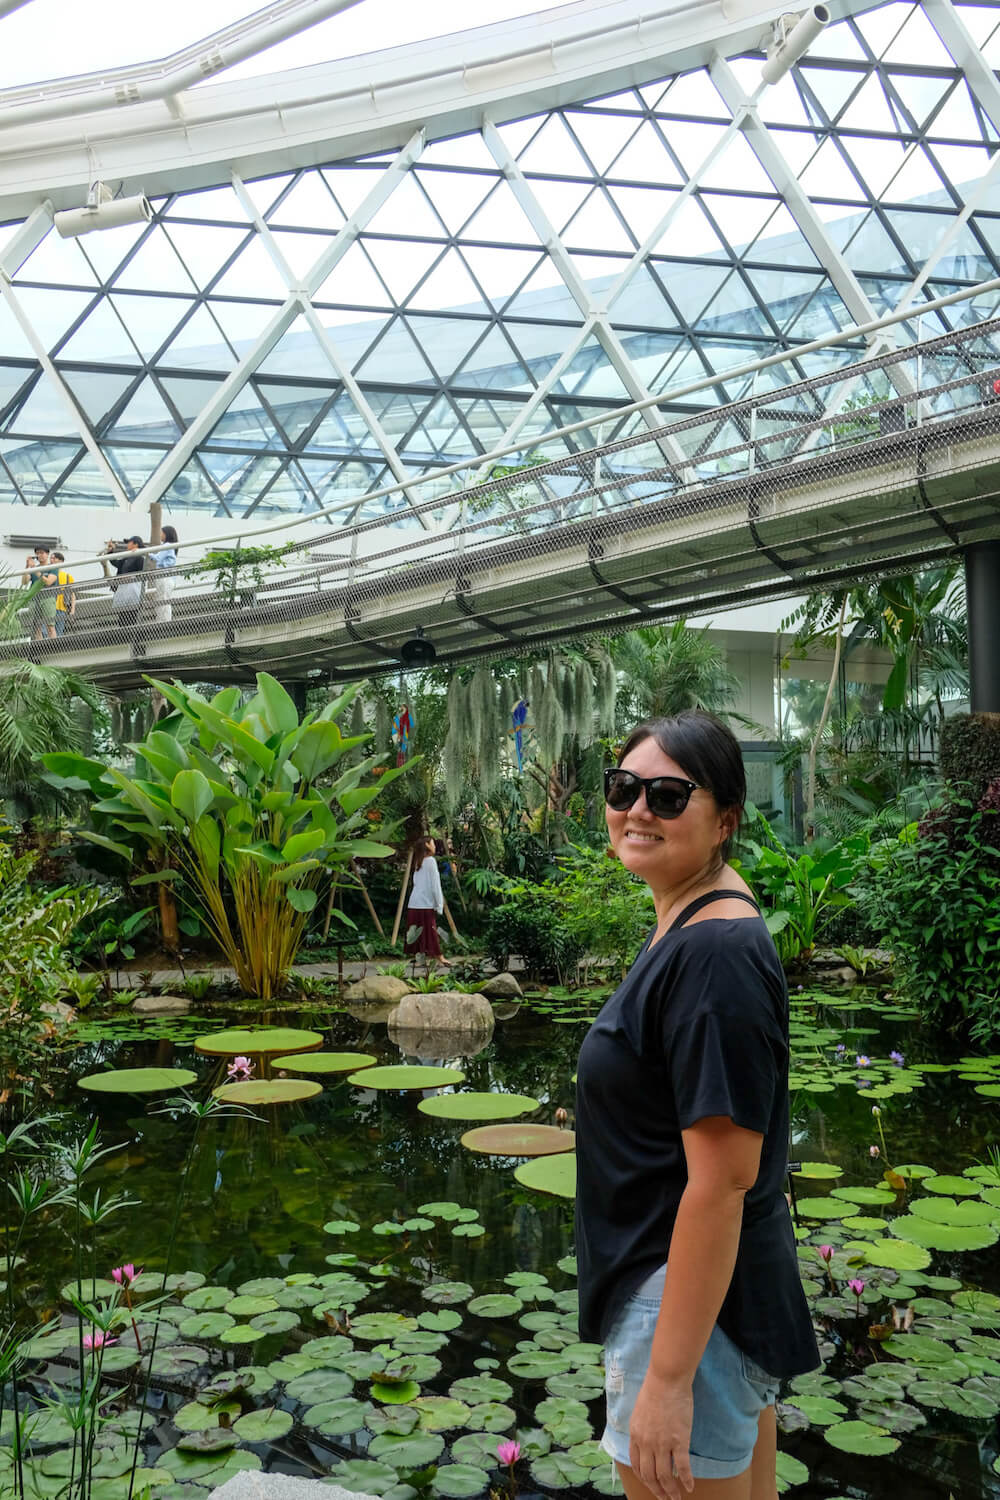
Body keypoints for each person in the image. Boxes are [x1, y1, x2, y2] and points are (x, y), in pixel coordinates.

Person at [575, 711, 818, 1500]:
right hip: (708, 1300)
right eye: (624, 787)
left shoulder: (714, 954)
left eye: (670, 795)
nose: (638, 808)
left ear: (725, 821)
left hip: (682, 1310)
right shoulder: (702, 921)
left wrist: (668, 1381)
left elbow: (722, 1182)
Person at [404, 836, 449, 969]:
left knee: (418, 932)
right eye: (433, 844)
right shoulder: (430, 861)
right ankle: (439, 957)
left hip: (414, 903)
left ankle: (420, 959)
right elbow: (435, 885)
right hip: (425, 904)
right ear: (427, 846)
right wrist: (439, 904)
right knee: (430, 931)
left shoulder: (418, 861)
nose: (435, 846)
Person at [101, 536, 145, 636]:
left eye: (129, 542)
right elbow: (115, 562)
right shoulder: (127, 557)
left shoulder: (140, 558)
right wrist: (111, 551)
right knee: (122, 615)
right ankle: (123, 636)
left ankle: (131, 636)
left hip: (133, 592)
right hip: (123, 592)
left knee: (132, 615)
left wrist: (129, 577)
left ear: (135, 544)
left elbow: (141, 574)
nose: (127, 544)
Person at [21, 545, 58, 640]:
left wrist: (35, 569)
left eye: (42, 553)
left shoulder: (52, 567)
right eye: (37, 553)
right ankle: (40, 649)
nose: (39, 555)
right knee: (37, 627)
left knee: (50, 625)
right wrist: (27, 567)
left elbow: (49, 582)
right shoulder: (33, 568)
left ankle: (54, 647)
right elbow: (24, 582)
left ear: (47, 554)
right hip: (34, 599)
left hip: (48, 598)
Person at [151, 525, 179, 625]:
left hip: (164, 578)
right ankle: (164, 621)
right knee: (164, 600)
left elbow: (158, 558)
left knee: (162, 600)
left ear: (166, 534)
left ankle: (163, 623)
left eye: (161, 532)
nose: (160, 535)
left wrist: (147, 552)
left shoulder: (167, 546)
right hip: (168, 578)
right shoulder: (170, 547)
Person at [51, 552, 75, 637]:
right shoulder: (48, 574)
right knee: (47, 633)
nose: (51, 560)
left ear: (61, 561)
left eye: (54, 558)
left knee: (59, 633)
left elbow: (72, 594)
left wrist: (72, 610)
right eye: (51, 558)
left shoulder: (68, 577)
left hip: (62, 608)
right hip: (49, 607)